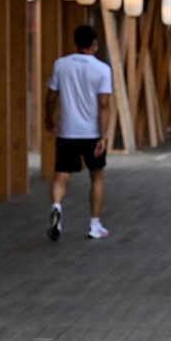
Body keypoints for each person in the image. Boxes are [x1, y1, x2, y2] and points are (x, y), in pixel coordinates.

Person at [44, 25, 113, 241]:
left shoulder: (61, 65)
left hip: (67, 131)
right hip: (91, 133)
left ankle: (57, 206)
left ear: (75, 42)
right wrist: (103, 136)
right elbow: (103, 105)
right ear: (94, 44)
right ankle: (94, 224)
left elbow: (51, 95)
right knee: (97, 176)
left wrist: (49, 116)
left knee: (61, 176)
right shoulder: (102, 69)